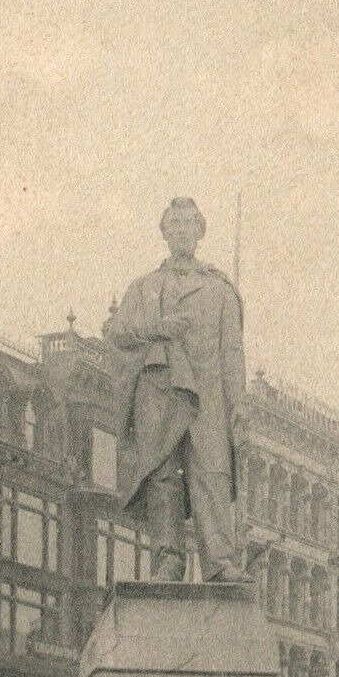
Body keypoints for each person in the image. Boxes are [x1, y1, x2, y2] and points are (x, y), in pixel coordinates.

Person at [106, 198, 248, 582]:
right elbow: (116, 333)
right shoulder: (145, 286)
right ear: (164, 232)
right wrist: (158, 326)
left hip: (209, 398)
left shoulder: (220, 290)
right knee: (163, 477)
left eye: (189, 223)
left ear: (201, 232)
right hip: (159, 392)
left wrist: (238, 406)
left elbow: (232, 352)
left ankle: (219, 562)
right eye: (175, 223)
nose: (182, 229)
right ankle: (168, 560)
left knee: (211, 473)